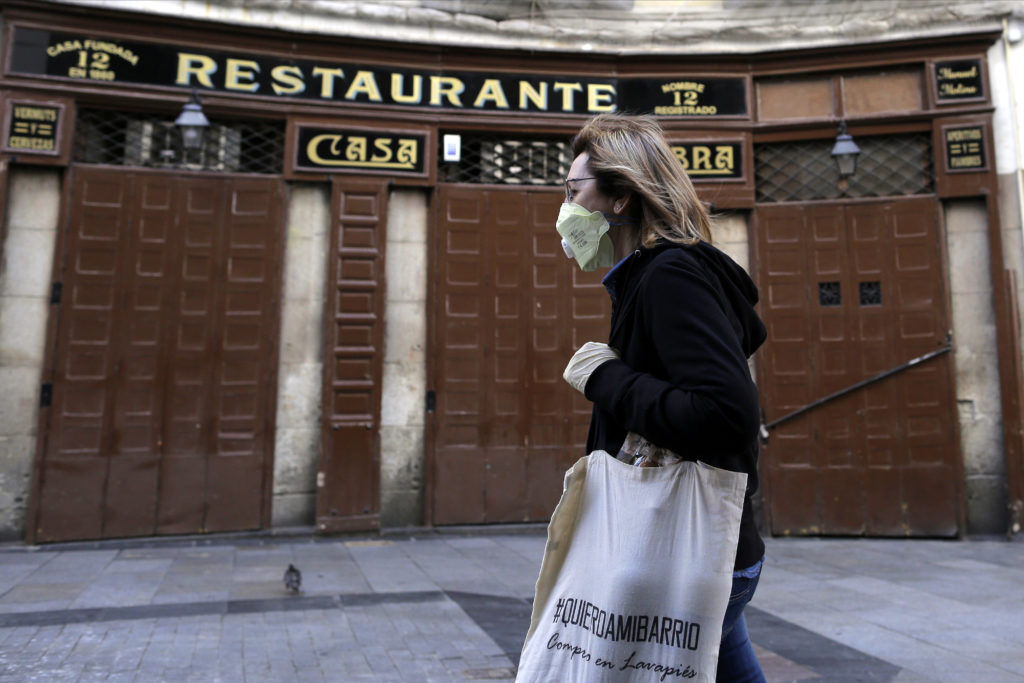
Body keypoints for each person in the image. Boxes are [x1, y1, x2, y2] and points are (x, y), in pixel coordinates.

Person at [557, 113, 768, 683]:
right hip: (699, 550)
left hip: (684, 551)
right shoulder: (651, 275)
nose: (566, 208)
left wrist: (606, 378)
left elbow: (726, 415)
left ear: (621, 198)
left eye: (574, 191)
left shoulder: (670, 275)